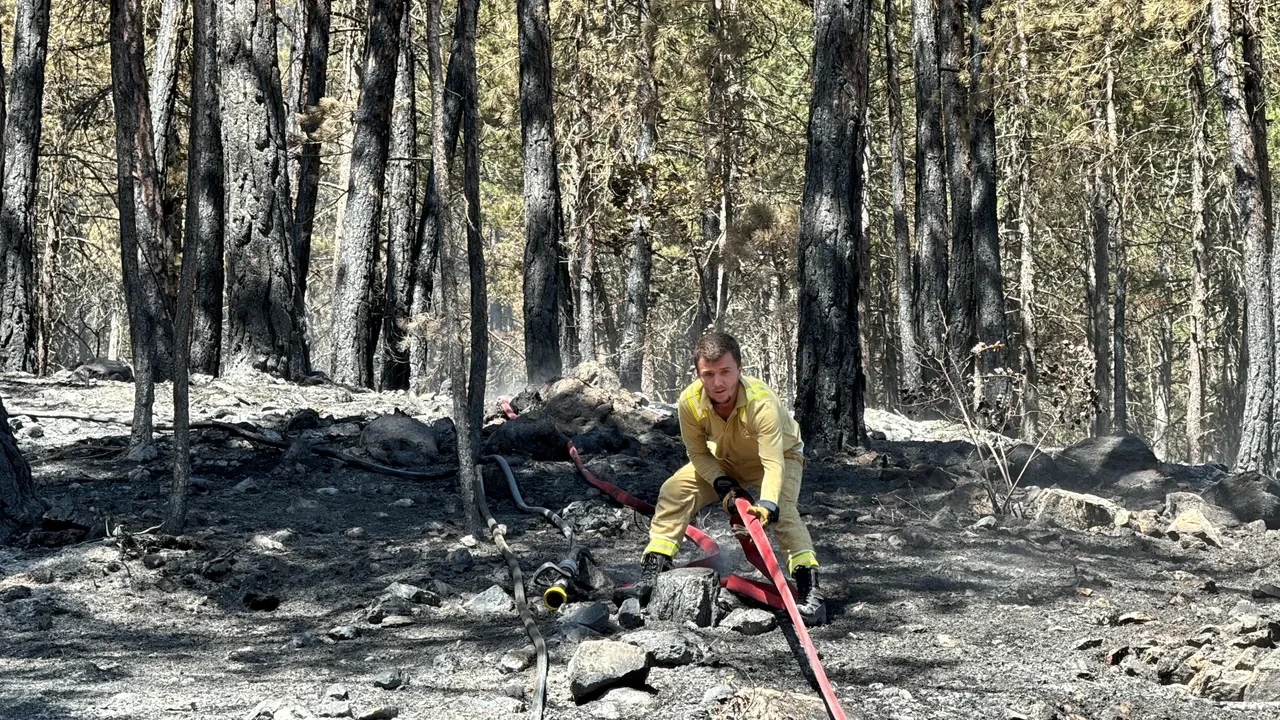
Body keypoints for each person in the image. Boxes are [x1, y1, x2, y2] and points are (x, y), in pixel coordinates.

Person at [630, 331, 826, 625]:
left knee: (784, 511)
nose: (717, 383)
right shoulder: (689, 402)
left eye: (725, 372)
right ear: (698, 374)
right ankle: (655, 567)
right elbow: (697, 452)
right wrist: (722, 482)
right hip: (726, 459)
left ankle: (810, 590)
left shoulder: (761, 402)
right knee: (674, 490)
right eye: (708, 374)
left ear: (740, 369)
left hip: (780, 456)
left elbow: (773, 462)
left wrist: (768, 505)